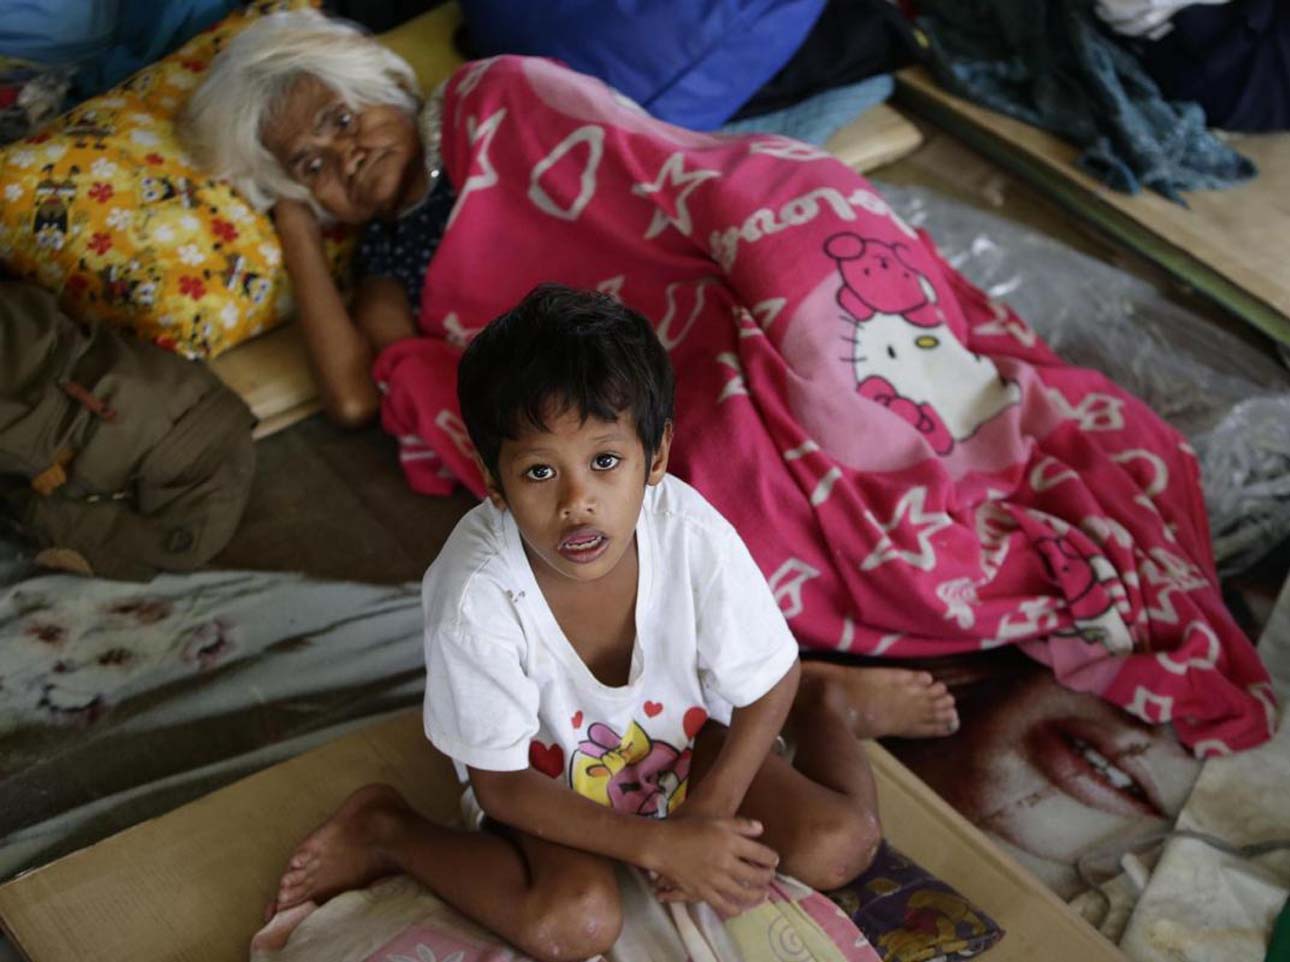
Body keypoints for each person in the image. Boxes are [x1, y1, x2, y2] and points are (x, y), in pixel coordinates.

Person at [180, 9, 961, 739]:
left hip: (689, 289)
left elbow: (656, 163)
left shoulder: (492, 101)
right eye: (309, 165)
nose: (343, 157)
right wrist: (295, 226)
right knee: (683, 458)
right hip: (603, 387)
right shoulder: (385, 270)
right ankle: (790, 679)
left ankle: (788, 650)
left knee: (805, 337)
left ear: (384, 89)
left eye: (343, 120)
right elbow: (359, 393)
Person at [269, 285, 898, 961]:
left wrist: (708, 811)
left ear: (654, 458)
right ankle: (388, 829)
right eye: (540, 471)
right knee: (571, 924)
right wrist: (658, 843)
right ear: (494, 483)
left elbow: (770, 679)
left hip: (693, 747)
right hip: (545, 786)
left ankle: (827, 703)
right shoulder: (474, 596)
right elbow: (500, 783)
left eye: (605, 462)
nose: (577, 502)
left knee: (841, 844)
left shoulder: (690, 534)